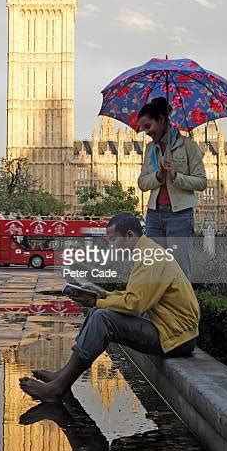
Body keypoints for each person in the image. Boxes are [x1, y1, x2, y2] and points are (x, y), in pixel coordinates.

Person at [19, 213, 200, 403]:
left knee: (102, 318)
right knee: (98, 311)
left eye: (113, 240)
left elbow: (135, 305)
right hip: (169, 329)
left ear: (129, 235)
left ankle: (57, 389)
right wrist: (103, 295)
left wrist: (97, 301)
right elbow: (136, 296)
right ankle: (62, 375)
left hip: (177, 338)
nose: (111, 245)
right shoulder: (146, 252)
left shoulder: (150, 257)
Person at [137, 97, 207, 279]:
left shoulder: (189, 147)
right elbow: (142, 183)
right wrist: (159, 175)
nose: (146, 132)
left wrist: (176, 176)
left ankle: (183, 308)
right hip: (154, 215)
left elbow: (201, 182)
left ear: (161, 120)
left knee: (180, 270)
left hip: (180, 215)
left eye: (148, 126)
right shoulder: (150, 150)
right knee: (152, 270)